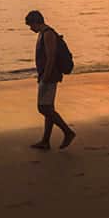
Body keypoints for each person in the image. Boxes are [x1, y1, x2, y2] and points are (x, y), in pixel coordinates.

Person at [25, 10, 76, 150]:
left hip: (50, 75)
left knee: (43, 108)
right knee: (49, 108)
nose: (30, 28)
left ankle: (68, 132)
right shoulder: (43, 34)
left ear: (36, 22)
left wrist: (45, 77)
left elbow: (51, 57)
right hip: (46, 74)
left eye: (31, 25)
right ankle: (45, 141)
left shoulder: (48, 34)